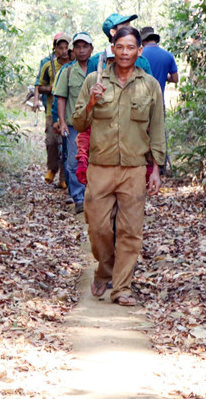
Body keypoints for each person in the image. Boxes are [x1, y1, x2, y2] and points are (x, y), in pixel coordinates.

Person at [72, 25, 165, 307]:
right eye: (120, 47)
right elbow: (78, 123)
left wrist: (157, 169)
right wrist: (91, 102)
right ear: (112, 49)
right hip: (100, 167)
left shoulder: (149, 85)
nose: (125, 52)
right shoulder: (93, 80)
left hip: (134, 169)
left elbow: (158, 128)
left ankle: (122, 288)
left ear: (139, 51)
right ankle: (105, 270)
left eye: (130, 48)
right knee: (98, 228)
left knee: (130, 231)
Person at [53, 32, 93, 214]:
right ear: (73, 51)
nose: (82, 50)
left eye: (85, 46)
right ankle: (79, 197)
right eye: (78, 47)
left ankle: (94, 195)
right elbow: (61, 98)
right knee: (73, 161)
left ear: (92, 49)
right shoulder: (67, 71)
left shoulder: (100, 70)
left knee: (95, 160)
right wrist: (61, 122)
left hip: (97, 124)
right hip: (74, 124)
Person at [37, 32, 71, 187]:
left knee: (68, 144)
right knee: (51, 141)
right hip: (52, 109)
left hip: (70, 110)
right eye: (60, 48)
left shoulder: (75, 63)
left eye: (66, 48)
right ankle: (52, 168)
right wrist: (49, 89)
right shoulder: (47, 65)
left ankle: (64, 178)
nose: (64, 51)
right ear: (55, 49)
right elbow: (39, 85)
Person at [87, 13, 153, 76]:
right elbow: (89, 85)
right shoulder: (95, 61)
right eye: (125, 28)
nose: (129, 31)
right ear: (113, 32)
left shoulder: (141, 61)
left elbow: (150, 85)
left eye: (129, 27)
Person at [139, 27, 178, 95]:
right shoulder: (168, 55)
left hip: (141, 102)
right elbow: (175, 79)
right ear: (156, 39)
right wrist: (163, 76)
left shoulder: (138, 55)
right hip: (159, 101)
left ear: (142, 40)